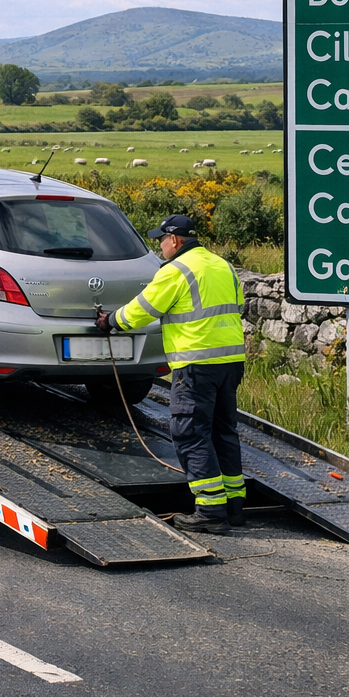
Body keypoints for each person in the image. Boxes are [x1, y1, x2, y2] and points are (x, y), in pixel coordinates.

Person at [96, 214, 246, 535]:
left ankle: (209, 511)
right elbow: (238, 308)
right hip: (231, 362)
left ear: (174, 240)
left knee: (191, 434)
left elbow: (142, 310)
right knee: (223, 431)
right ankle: (234, 506)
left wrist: (110, 322)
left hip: (195, 365)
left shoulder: (177, 271)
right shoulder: (223, 266)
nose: (160, 247)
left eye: (161, 240)